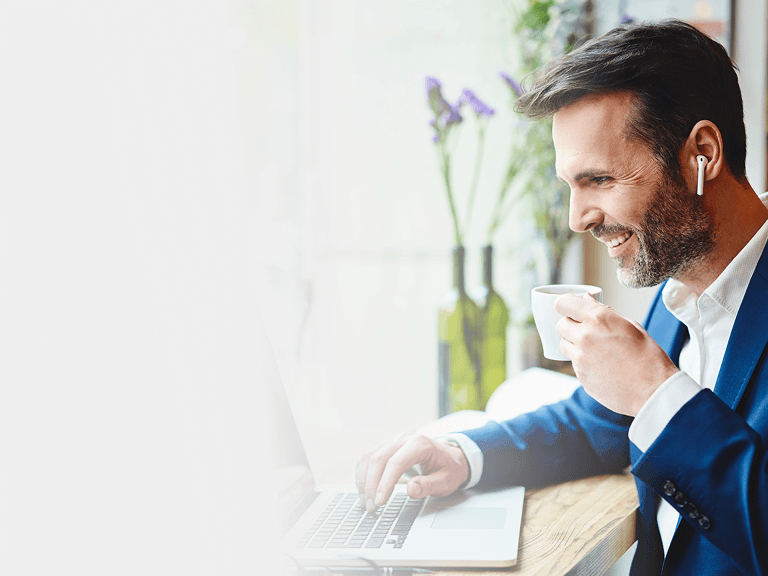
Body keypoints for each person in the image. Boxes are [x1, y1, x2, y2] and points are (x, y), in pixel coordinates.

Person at [357, 20, 768, 575]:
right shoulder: (684, 287)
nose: (578, 219)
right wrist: (464, 454)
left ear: (702, 152)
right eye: (570, 186)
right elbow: (602, 420)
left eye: (599, 180)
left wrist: (655, 390)